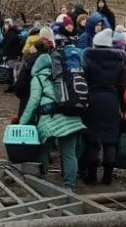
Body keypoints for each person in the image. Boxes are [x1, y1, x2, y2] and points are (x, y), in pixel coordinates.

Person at [19, 40, 87, 191]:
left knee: (43, 150)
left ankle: (42, 180)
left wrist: (22, 123)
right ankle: (69, 187)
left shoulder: (38, 77)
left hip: (49, 119)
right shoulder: (62, 75)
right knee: (69, 154)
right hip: (70, 115)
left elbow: (33, 101)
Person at [81, 29, 126, 185]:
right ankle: (108, 175)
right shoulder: (120, 61)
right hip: (111, 102)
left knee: (92, 137)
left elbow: (83, 81)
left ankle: (92, 175)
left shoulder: (88, 59)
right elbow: (123, 86)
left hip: (92, 101)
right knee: (111, 138)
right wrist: (124, 108)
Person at [0, 18, 25, 86]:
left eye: (6, 24)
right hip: (15, 53)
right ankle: (13, 84)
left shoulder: (10, 33)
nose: (5, 26)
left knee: (12, 69)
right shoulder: (14, 32)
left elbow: (7, 44)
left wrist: (4, 54)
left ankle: (12, 85)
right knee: (14, 69)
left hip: (12, 54)